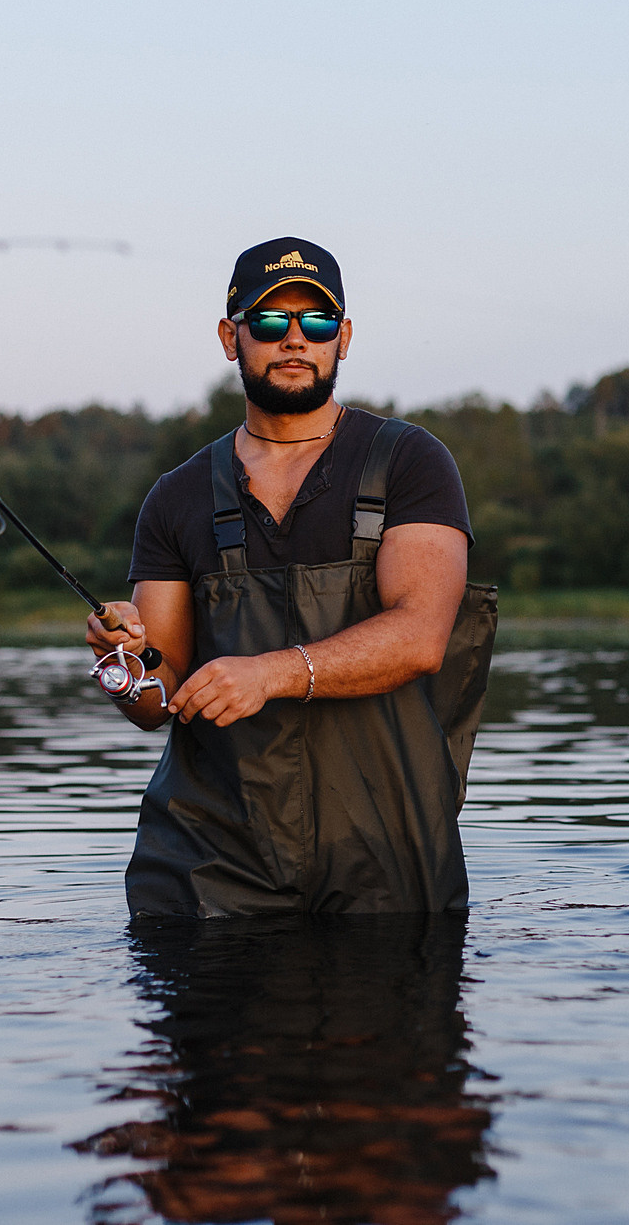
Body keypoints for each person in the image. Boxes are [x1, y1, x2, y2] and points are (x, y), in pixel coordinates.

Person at [87, 237, 497, 918]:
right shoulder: (177, 496)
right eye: (270, 322)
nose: (295, 340)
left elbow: (421, 636)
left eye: (318, 322)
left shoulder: (411, 463)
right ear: (230, 337)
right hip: (207, 865)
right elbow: (157, 700)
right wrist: (121, 664)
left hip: (387, 855)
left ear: (345, 338)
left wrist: (269, 674)